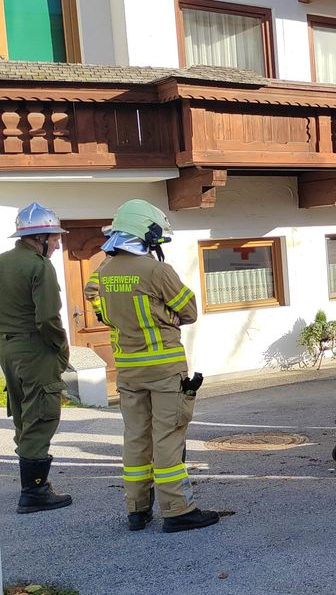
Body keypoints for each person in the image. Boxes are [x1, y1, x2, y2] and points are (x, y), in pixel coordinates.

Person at [84, 199, 220, 532]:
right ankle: (177, 510)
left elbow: (99, 307)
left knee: (135, 438)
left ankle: (137, 509)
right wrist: (166, 315)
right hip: (164, 370)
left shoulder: (101, 272)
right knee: (168, 437)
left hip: (128, 370)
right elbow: (189, 312)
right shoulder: (156, 270)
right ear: (146, 233)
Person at [0, 202, 73, 514]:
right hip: (35, 347)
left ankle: (32, 486)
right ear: (38, 238)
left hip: (7, 349)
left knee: (22, 412)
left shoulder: (3, 261)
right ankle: (35, 492)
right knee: (42, 415)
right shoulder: (39, 266)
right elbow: (47, 318)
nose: (57, 244)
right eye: (54, 238)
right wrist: (60, 348)